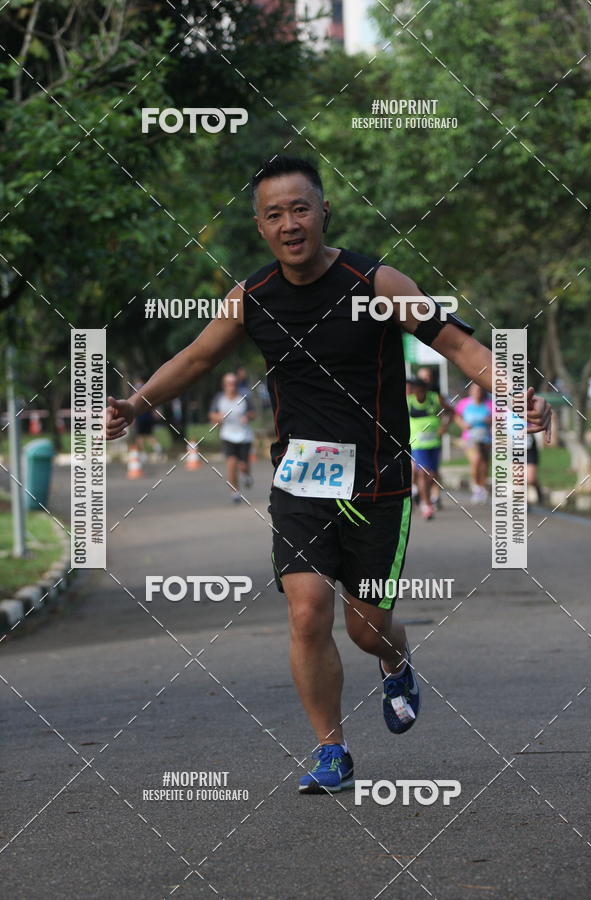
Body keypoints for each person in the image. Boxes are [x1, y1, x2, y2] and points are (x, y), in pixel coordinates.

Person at [105, 155, 551, 794]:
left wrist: (515, 391)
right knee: (308, 611)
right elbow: (196, 356)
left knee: (365, 627)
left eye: (300, 208)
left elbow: (457, 344)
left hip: (380, 480)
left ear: (323, 212)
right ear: (260, 226)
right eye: (274, 214)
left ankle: (395, 656)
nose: (290, 223)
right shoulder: (252, 298)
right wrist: (134, 403)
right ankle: (330, 750)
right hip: (302, 481)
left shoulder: (375, 283)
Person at [407, 378, 452, 520]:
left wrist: (444, 426)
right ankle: (426, 505)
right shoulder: (409, 401)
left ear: (425, 389)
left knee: (433, 474)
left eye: (421, 390)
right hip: (418, 445)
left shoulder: (435, 398)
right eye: (416, 390)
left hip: (434, 443)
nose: (418, 393)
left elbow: (451, 411)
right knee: (422, 473)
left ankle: (421, 494)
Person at [209, 372, 255, 502]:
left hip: (244, 436)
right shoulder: (219, 398)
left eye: (234, 383)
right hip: (227, 436)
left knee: (243, 466)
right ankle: (235, 491)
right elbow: (212, 415)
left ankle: (247, 475)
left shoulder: (244, 397)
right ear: (224, 385)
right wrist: (218, 417)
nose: (232, 386)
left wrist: (247, 417)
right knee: (231, 464)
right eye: (229, 384)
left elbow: (253, 413)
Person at [455, 384, 493, 503]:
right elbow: (456, 416)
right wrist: (463, 425)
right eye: (475, 390)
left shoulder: (489, 404)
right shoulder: (464, 403)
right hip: (470, 438)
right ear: (470, 391)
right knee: (476, 460)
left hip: (485, 437)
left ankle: (482, 487)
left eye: (480, 389)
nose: (478, 392)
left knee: (484, 463)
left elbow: (499, 417)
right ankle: (477, 488)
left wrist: (490, 420)